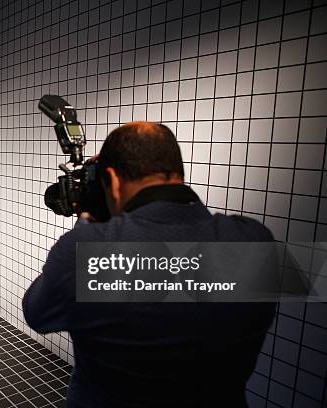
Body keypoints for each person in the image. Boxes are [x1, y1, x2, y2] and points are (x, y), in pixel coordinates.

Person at [22, 122, 277, 407]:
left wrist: (87, 222)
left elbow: (37, 313)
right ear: (178, 173)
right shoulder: (256, 241)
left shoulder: (85, 251)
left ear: (113, 181)